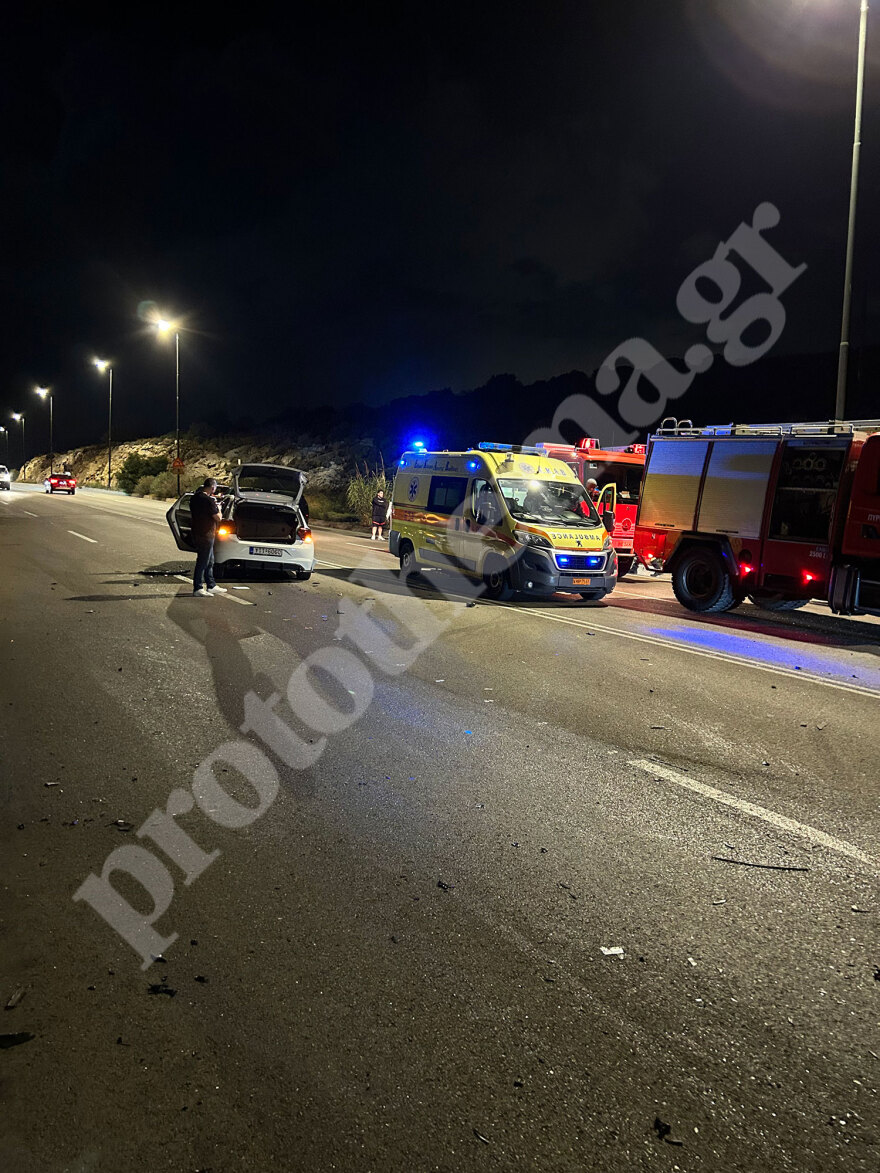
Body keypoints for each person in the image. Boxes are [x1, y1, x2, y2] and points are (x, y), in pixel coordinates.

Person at [190, 477, 228, 597]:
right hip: (206, 534)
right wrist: (220, 509)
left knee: (210, 561)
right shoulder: (208, 501)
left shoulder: (194, 498)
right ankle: (198, 588)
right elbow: (218, 518)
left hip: (197, 532)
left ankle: (211, 585)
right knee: (203, 561)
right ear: (212, 488)